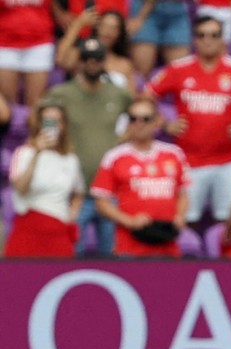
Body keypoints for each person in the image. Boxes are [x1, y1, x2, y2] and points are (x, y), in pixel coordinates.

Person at [146, 16, 231, 226]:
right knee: (185, 221)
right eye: (202, 35)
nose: (208, 40)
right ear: (195, 40)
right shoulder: (179, 69)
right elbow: (146, 96)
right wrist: (165, 123)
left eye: (214, 35)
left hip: (229, 160)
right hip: (189, 159)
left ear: (222, 40)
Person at [44, 37, 133, 257]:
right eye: (86, 58)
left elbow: (144, 114)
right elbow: (40, 117)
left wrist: (125, 139)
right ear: (79, 62)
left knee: (114, 257)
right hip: (75, 192)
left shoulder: (117, 93)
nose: (92, 63)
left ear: (104, 61)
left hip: (110, 192)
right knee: (71, 254)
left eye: (97, 59)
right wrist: (53, 141)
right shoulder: (62, 93)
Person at [92, 97, 191, 258]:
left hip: (167, 244)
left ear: (157, 121)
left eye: (146, 119)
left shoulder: (174, 154)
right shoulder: (115, 156)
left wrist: (180, 216)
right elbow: (101, 202)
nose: (139, 123)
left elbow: (183, 193)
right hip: (129, 247)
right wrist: (128, 221)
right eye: (133, 118)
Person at [5, 103, 85, 257]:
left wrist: (71, 215)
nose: (52, 126)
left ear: (63, 125)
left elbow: (78, 192)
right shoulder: (23, 153)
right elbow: (20, 188)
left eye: (56, 121)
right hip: (28, 230)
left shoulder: (70, 159)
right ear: (39, 124)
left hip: (59, 231)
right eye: (47, 121)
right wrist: (36, 154)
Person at [56, 9, 137, 94]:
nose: (107, 31)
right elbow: (61, 60)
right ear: (97, 28)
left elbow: (131, 96)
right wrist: (78, 24)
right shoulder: (83, 56)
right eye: (104, 26)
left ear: (119, 34)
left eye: (113, 28)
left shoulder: (125, 64)